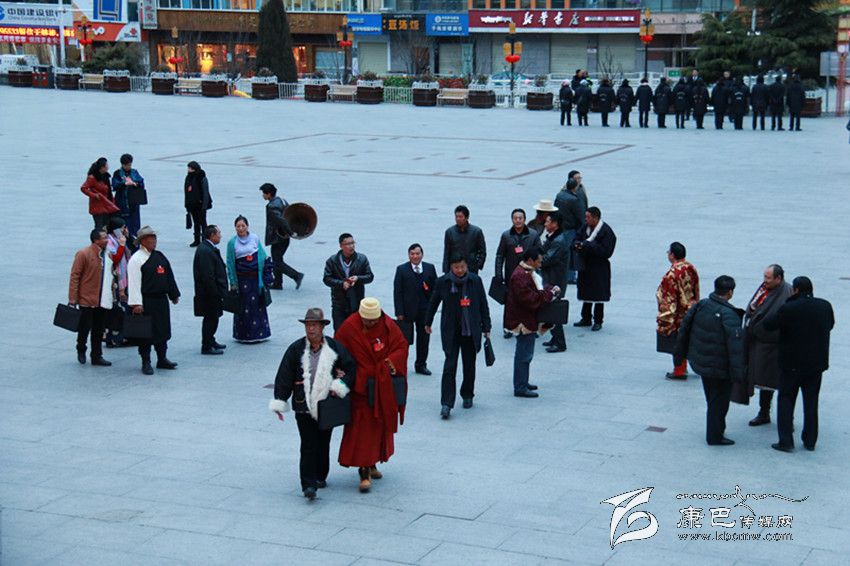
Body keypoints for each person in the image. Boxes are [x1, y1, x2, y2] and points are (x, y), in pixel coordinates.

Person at [270, 308, 356, 499]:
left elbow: (351, 369)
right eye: (308, 325)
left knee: (323, 441)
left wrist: (339, 384)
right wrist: (280, 399)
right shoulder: (295, 349)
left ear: (322, 327)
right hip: (304, 404)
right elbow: (284, 375)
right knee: (308, 443)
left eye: (315, 325)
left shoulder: (334, 347)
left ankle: (320, 476)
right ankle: (308, 485)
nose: (311, 329)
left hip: (326, 404)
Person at [335, 298, 408, 493]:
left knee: (379, 426)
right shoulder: (349, 327)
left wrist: (389, 362)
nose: (371, 323)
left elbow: (401, 346)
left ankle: (374, 462)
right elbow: (337, 350)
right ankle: (363, 470)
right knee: (362, 430)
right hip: (361, 387)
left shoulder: (387, 324)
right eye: (367, 321)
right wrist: (340, 371)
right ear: (361, 316)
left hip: (382, 386)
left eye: (374, 320)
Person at [764, 277, 834, 452]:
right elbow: (830, 325)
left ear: (795, 290)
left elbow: (768, 324)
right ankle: (810, 440)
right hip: (816, 364)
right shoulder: (825, 306)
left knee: (786, 399)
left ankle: (786, 441)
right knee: (811, 402)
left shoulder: (789, 308)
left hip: (791, 364)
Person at [675, 275, 746, 446]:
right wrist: (739, 374)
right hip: (720, 367)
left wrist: (679, 355)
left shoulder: (701, 305)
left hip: (702, 362)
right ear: (730, 292)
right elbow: (735, 348)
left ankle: (717, 429)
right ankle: (715, 435)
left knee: (712, 398)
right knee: (719, 402)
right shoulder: (729, 315)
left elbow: (684, 329)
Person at [426, 257, 490, 419]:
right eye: (456, 267)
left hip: (470, 331)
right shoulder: (443, 282)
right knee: (449, 367)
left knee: (469, 366)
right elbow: (433, 302)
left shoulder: (475, 281)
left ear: (466, 266)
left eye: (462, 267)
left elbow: (483, 304)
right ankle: (446, 404)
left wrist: (486, 327)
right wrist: (428, 322)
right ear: (451, 268)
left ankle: (467, 394)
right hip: (451, 332)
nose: (460, 270)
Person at [735, 265, 792, 426]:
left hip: (772, 345)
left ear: (778, 279)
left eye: (768, 277)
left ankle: (785, 417)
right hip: (758, 342)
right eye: (764, 276)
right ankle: (764, 412)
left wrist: (758, 329)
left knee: (774, 381)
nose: (764, 280)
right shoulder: (765, 288)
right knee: (763, 380)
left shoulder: (786, 293)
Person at [127, 226, 180, 375]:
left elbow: (169, 276)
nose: (154, 241)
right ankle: (146, 361)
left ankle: (162, 358)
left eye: (154, 238)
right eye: (150, 238)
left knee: (163, 330)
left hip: (161, 300)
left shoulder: (160, 256)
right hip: (146, 301)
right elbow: (134, 283)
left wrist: (173, 294)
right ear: (142, 241)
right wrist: (136, 303)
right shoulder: (136, 259)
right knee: (146, 333)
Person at [506, 249, 558, 398]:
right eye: (538, 261)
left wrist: (549, 289)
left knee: (526, 354)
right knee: (524, 355)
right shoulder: (520, 276)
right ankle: (520, 387)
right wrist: (550, 294)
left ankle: (523, 381)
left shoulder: (527, 272)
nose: (540, 264)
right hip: (523, 321)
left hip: (526, 319)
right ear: (530, 260)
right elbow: (531, 299)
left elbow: (538, 287)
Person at [68, 229, 112, 367]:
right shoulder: (83, 254)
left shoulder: (107, 254)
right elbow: (75, 276)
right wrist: (72, 298)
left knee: (98, 329)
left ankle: (96, 356)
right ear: (96, 240)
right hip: (86, 299)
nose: (107, 240)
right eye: (104, 238)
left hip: (101, 298)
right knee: (84, 328)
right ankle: (81, 349)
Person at [656, 242, 700, 380]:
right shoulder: (690, 267)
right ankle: (684, 367)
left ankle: (679, 371)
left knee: (677, 342)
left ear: (672, 255)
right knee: (687, 339)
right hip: (690, 308)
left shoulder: (671, 275)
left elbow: (669, 299)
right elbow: (696, 288)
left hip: (678, 313)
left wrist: (665, 320)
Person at [226, 216, 272, 343]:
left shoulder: (255, 238)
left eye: (243, 226)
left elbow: (262, 255)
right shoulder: (232, 243)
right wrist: (233, 282)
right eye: (238, 226)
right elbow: (230, 263)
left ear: (247, 226)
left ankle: (259, 334)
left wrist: (265, 274)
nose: (241, 228)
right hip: (242, 279)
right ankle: (243, 335)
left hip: (255, 278)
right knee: (243, 306)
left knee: (257, 306)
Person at [393, 243, 437, 375]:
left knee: (424, 339)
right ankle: (401, 366)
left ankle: (421, 365)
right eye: (412, 254)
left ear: (422, 254)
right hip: (407, 311)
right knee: (404, 341)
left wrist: (432, 307)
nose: (415, 256)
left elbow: (435, 289)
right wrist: (399, 312)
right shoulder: (402, 269)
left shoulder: (429, 268)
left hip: (424, 310)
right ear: (408, 255)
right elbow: (397, 292)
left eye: (417, 254)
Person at [495, 210, 539, 339]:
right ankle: (508, 327)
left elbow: (539, 253)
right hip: (511, 274)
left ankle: (531, 327)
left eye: (520, 218)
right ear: (512, 219)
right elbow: (500, 256)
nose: (518, 220)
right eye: (515, 218)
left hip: (529, 273)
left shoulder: (533, 234)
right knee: (510, 302)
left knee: (530, 300)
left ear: (524, 219)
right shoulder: (506, 235)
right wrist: (499, 275)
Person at [572, 207, 616, 331]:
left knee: (598, 295)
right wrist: (576, 244)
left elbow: (606, 252)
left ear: (595, 218)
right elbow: (576, 238)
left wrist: (589, 245)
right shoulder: (584, 227)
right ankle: (586, 318)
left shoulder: (606, 231)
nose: (585, 219)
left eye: (588, 217)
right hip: (586, 266)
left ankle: (598, 320)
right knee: (586, 292)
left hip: (599, 267)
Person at [324, 233, 374, 330]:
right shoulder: (332, 261)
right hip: (339, 303)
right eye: (348, 244)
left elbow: (370, 277)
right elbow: (327, 279)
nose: (351, 246)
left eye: (353, 243)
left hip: (356, 302)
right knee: (340, 331)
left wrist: (358, 278)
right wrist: (341, 284)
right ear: (341, 246)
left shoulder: (362, 259)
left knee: (356, 331)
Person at [260, 182, 304, 291]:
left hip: (278, 237)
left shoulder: (272, 206)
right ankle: (277, 283)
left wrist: (290, 232)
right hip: (284, 237)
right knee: (277, 259)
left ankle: (296, 275)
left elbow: (282, 221)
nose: (263, 195)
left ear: (268, 194)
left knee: (277, 261)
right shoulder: (282, 200)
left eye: (264, 193)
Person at [193, 225, 228, 355]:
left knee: (213, 318)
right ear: (212, 235)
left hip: (212, 292)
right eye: (218, 233)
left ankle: (211, 340)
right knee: (210, 319)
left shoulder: (207, 248)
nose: (220, 236)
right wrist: (215, 293)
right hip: (209, 294)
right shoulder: (205, 251)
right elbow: (208, 276)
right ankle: (206, 345)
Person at [539, 212, 570, 353]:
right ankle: (554, 338)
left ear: (555, 224)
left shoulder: (558, 242)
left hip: (554, 280)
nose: (545, 224)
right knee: (549, 309)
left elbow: (546, 259)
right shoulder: (553, 237)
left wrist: (535, 260)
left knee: (554, 310)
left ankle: (560, 343)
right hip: (551, 278)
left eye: (548, 221)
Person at [104, 218, 130, 348]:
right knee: (115, 309)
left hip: (122, 277)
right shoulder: (110, 241)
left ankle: (120, 335)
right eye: (123, 228)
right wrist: (121, 246)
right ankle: (112, 336)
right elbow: (115, 259)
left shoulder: (120, 239)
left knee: (121, 308)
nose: (125, 230)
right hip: (114, 280)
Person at [555, 178, 586, 286]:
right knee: (571, 253)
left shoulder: (559, 195)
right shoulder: (574, 200)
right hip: (571, 229)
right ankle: (570, 276)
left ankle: (561, 274)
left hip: (561, 228)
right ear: (575, 187)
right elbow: (580, 215)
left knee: (561, 251)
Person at [442, 205, 486, 274]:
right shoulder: (449, 232)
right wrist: (446, 270)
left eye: (460, 217)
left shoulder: (476, 232)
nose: (458, 219)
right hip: (454, 268)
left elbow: (482, 251)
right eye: (456, 217)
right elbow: (447, 252)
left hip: (471, 268)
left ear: (467, 217)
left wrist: (478, 265)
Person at [111, 153, 145, 242]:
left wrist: (135, 183)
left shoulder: (134, 172)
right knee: (124, 224)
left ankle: (135, 241)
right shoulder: (117, 173)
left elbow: (141, 182)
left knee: (135, 223)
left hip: (134, 203)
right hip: (122, 203)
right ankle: (124, 241)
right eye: (126, 165)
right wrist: (124, 184)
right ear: (122, 164)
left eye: (130, 165)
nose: (128, 167)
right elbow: (114, 185)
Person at [81, 157, 119, 230]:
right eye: (106, 165)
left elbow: (109, 191)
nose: (108, 167)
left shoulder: (106, 176)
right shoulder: (92, 177)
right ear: (102, 167)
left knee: (107, 226)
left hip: (107, 205)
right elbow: (83, 188)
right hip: (97, 206)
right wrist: (94, 195)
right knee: (99, 226)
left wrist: (113, 201)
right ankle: (96, 237)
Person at [184, 161, 212, 248]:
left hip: (200, 205)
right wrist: (187, 205)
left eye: (190, 168)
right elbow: (187, 193)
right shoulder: (188, 177)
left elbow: (205, 193)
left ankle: (205, 240)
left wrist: (204, 206)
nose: (188, 170)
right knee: (196, 223)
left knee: (203, 223)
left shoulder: (201, 177)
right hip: (192, 205)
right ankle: (196, 240)